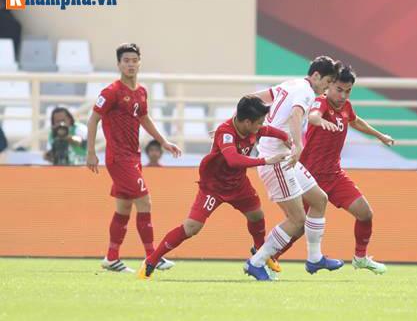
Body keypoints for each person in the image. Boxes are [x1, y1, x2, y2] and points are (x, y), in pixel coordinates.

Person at [136, 96, 290, 280]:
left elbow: (266, 130)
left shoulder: (252, 128)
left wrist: (285, 137)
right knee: (192, 227)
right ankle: (151, 261)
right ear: (247, 122)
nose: (260, 126)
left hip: (239, 184)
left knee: (257, 215)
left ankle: (259, 254)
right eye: (258, 123)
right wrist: (266, 160)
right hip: (214, 187)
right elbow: (233, 160)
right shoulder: (225, 132)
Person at [270, 65, 394, 274]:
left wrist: (380, 135)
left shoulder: (346, 107)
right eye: (339, 89)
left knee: (365, 213)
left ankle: (360, 258)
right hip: (310, 176)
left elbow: (356, 121)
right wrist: (320, 122)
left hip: (335, 175)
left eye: (348, 91)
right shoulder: (320, 101)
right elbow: (313, 116)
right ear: (328, 86)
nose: (343, 95)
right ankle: (270, 257)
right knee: (298, 225)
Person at [242, 56, 344, 280]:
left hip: (284, 158)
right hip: (278, 159)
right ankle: (256, 262)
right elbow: (297, 114)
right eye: (326, 83)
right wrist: (298, 145)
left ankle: (315, 259)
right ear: (316, 76)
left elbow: (250, 98)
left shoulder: (290, 84)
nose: (325, 90)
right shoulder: (306, 91)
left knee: (319, 200)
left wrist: (236, 122)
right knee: (297, 220)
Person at [86, 43, 182, 273]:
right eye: (126, 60)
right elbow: (93, 120)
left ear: (140, 62)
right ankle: (153, 256)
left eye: (134, 60)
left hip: (133, 156)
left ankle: (111, 257)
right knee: (145, 202)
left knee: (124, 207)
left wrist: (163, 142)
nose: (130, 64)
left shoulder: (141, 91)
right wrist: (90, 152)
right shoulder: (111, 92)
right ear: (118, 64)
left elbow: (144, 119)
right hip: (118, 158)